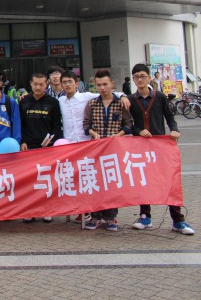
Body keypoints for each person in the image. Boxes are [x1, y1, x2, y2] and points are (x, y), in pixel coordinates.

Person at [128, 63, 194, 235]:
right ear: (133, 79)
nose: (140, 79)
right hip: (140, 147)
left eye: (143, 76)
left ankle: (178, 220)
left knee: (169, 181)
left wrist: (175, 130)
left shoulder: (159, 97)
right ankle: (145, 216)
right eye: (136, 77)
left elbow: (170, 118)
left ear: (149, 77)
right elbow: (127, 124)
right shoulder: (130, 99)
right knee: (143, 180)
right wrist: (138, 131)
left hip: (160, 147)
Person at [82, 69, 133, 232]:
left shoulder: (121, 103)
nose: (102, 88)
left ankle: (110, 217)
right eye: (99, 85)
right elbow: (86, 124)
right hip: (96, 150)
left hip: (114, 150)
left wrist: (118, 135)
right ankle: (95, 216)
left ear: (112, 84)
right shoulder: (91, 104)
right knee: (96, 182)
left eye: (105, 84)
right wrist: (93, 133)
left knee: (112, 183)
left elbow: (128, 124)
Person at [19, 72, 63, 152]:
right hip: (28, 146)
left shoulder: (53, 102)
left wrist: (51, 140)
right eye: (35, 84)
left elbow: (57, 125)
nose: (38, 87)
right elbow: (20, 124)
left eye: (41, 84)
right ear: (31, 83)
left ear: (46, 84)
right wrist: (23, 141)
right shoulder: (24, 101)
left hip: (48, 146)